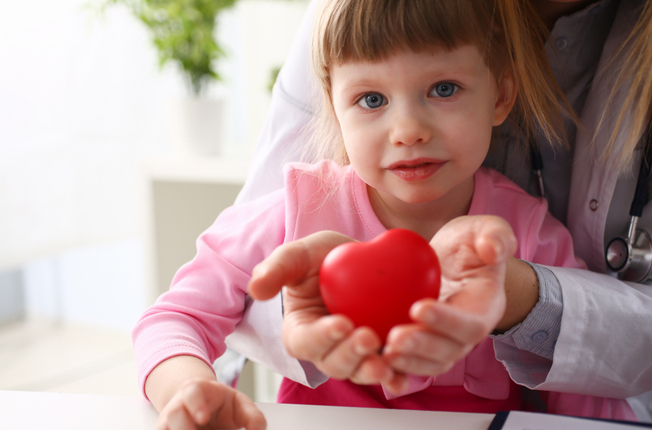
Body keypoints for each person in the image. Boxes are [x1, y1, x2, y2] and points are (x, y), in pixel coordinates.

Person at [133, 0, 642, 428]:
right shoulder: (297, 208)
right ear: (333, 108)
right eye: (371, 99)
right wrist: (191, 389)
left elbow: (587, 393)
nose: (408, 129)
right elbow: (174, 317)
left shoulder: (525, 235)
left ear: (501, 96)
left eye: (443, 89)